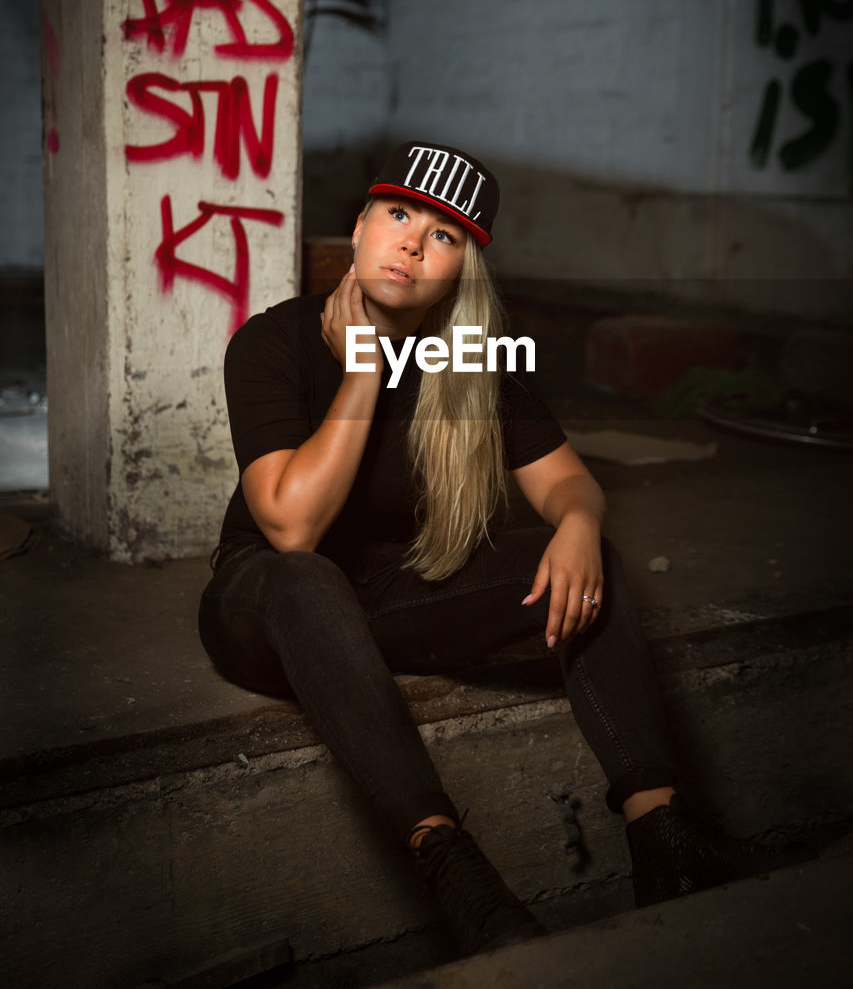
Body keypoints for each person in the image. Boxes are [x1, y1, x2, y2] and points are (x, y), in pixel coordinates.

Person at [198, 141, 811, 957]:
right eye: (398, 214)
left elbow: (570, 485)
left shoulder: (473, 357)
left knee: (577, 557)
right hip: (271, 602)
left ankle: (664, 834)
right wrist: (361, 372)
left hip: (391, 600)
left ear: (462, 267)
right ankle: (455, 873)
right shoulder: (272, 342)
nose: (413, 243)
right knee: (307, 575)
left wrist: (580, 526)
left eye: (444, 235)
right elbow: (290, 528)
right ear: (360, 226)